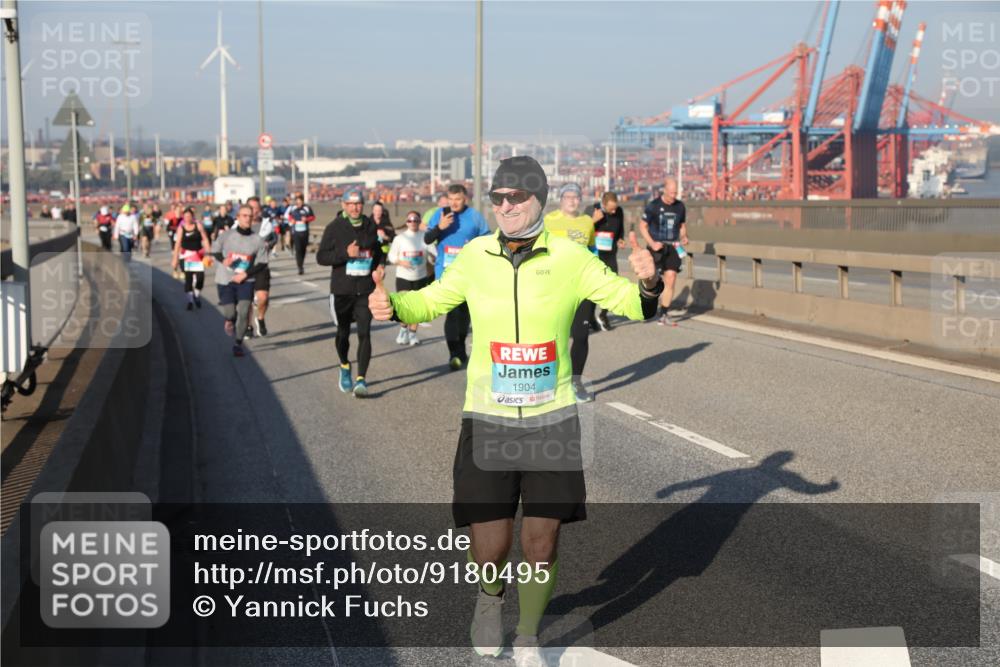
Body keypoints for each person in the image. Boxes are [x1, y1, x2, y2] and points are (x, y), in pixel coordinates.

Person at [369, 156, 661, 664]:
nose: (505, 206)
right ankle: (490, 597)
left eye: (516, 197)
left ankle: (527, 631)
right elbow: (431, 301)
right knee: (492, 538)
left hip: (552, 417)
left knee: (541, 540)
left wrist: (649, 284)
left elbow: (630, 303)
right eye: (498, 198)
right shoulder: (476, 256)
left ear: (538, 200)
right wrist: (394, 305)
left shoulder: (570, 257)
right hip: (489, 415)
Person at [316, 188, 384, 397]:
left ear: (363, 205)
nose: (355, 208)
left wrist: (380, 265)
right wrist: (345, 254)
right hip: (342, 290)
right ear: (343, 205)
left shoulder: (370, 225)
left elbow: (377, 250)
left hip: (365, 290)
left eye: (358, 204)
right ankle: (344, 365)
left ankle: (361, 380)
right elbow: (321, 257)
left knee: (364, 333)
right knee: (343, 334)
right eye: (351, 204)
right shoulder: (334, 227)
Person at [424, 184, 491, 370]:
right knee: (452, 314)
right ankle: (454, 353)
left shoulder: (475, 216)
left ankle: (460, 348)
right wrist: (439, 227)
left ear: (465, 199)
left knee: (464, 316)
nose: (453, 203)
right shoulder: (440, 214)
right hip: (445, 274)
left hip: (470, 275)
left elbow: (488, 240)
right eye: (451, 199)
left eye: (458, 199)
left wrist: (477, 247)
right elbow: (427, 239)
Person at [543, 183, 598, 402]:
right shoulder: (549, 220)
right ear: (561, 199)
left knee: (581, 335)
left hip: (582, 286)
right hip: (556, 286)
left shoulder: (587, 222)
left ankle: (575, 382)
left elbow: (592, 250)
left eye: (576, 197)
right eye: (568, 197)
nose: (572, 201)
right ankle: (552, 381)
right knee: (555, 337)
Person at [213, 204, 268, 357]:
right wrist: (223, 260)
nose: (248, 219)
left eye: (250, 216)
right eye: (244, 215)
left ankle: (238, 343)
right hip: (225, 279)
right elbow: (215, 250)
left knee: (244, 311)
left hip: (246, 280)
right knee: (230, 313)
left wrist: (246, 274)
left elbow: (262, 262)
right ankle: (229, 320)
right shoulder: (227, 236)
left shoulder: (257, 240)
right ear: (237, 217)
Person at [639, 176, 689, 326]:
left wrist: (684, 236)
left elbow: (681, 225)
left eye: (676, 193)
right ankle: (645, 308)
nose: (674, 196)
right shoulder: (653, 206)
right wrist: (652, 243)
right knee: (652, 280)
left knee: (671, 277)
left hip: (673, 247)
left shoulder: (680, 206)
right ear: (665, 190)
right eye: (671, 192)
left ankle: (664, 313)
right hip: (656, 247)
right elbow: (642, 226)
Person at [387, 211, 435, 346]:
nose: (413, 222)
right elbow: (391, 256)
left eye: (415, 220)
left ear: (419, 222)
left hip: (420, 276)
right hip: (404, 277)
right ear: (406, 222)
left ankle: (413, 334)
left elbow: (434, 253)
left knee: (417, 307)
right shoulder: (400, 238)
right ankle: (403, 330)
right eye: (410, 220)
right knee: (405, 307)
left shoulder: (425, 237)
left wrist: (433, 258)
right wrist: (400, 261)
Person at [590, 191, 626, 331]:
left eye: (615, 208)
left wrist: (620, 239)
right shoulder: (593, 209)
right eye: (611, 209)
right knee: (594, 287)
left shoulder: (619, 211)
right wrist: (593, 220)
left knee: (613, 285)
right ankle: (589, 316)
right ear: (603, 204)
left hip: (610, 254)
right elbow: (582, 230)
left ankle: (603, 315)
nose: (614, 211)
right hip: (595, 254)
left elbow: (620, 229)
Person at [171, 208, 211, 310]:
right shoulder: (181, 228)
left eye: (189, 216)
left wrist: (208, 253)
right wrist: (175, 259)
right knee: (188, 278)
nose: (187, 218)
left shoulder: (198, 226)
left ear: (193, 217)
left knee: (200, 278)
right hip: (186, 257)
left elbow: (205, 239)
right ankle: (190, 301)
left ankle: (196, 295)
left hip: (197, 256)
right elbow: (177, 244)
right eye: (185, 217)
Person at [247, 196, 274, 337]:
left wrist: (269, 244)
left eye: (257, 208)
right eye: (251, 208)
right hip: (244, 267)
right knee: (246, 301)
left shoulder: (266, 225)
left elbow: (274, 238)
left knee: (263, 297)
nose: (254, 211)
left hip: (261, 266)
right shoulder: (238, 225)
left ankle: (260, 318)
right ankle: (248, 326)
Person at [288, 194, 316, 275]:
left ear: (302, 201)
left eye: (300, 202)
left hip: (305, 232)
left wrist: (306, 219)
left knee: (303, 249)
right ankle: (300, 267)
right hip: (296, 232)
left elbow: (313, 217)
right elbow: (289, 216)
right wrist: (292, 220)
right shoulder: (293, 208)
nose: (299, 203)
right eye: (297, 202)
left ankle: (301, 264)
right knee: (298, 249)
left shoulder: (307, 208)